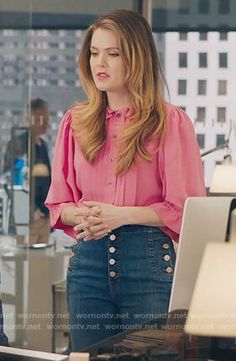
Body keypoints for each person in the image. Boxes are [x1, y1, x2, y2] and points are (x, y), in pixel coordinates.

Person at [45, 9, 206, 351]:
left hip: (146, 263)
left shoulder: (170, 122)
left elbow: (186, 209)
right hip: (87, 265)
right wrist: (84, 214)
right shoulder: (75, 122)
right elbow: (59, 206)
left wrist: (123, 214)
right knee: (87, 358)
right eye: (94, 52)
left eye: (113, 53)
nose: (99, 62)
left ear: (137, 58)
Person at [4, 98, 51, 245]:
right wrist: (31, 210)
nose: (45, 123)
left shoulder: (42, 145)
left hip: (44, 217)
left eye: (46, 118)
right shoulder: (19, 143)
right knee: (27, 264)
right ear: (29, 119)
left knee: (43, 264)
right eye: (40, 119)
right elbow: (12, 179)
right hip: (28, 218)